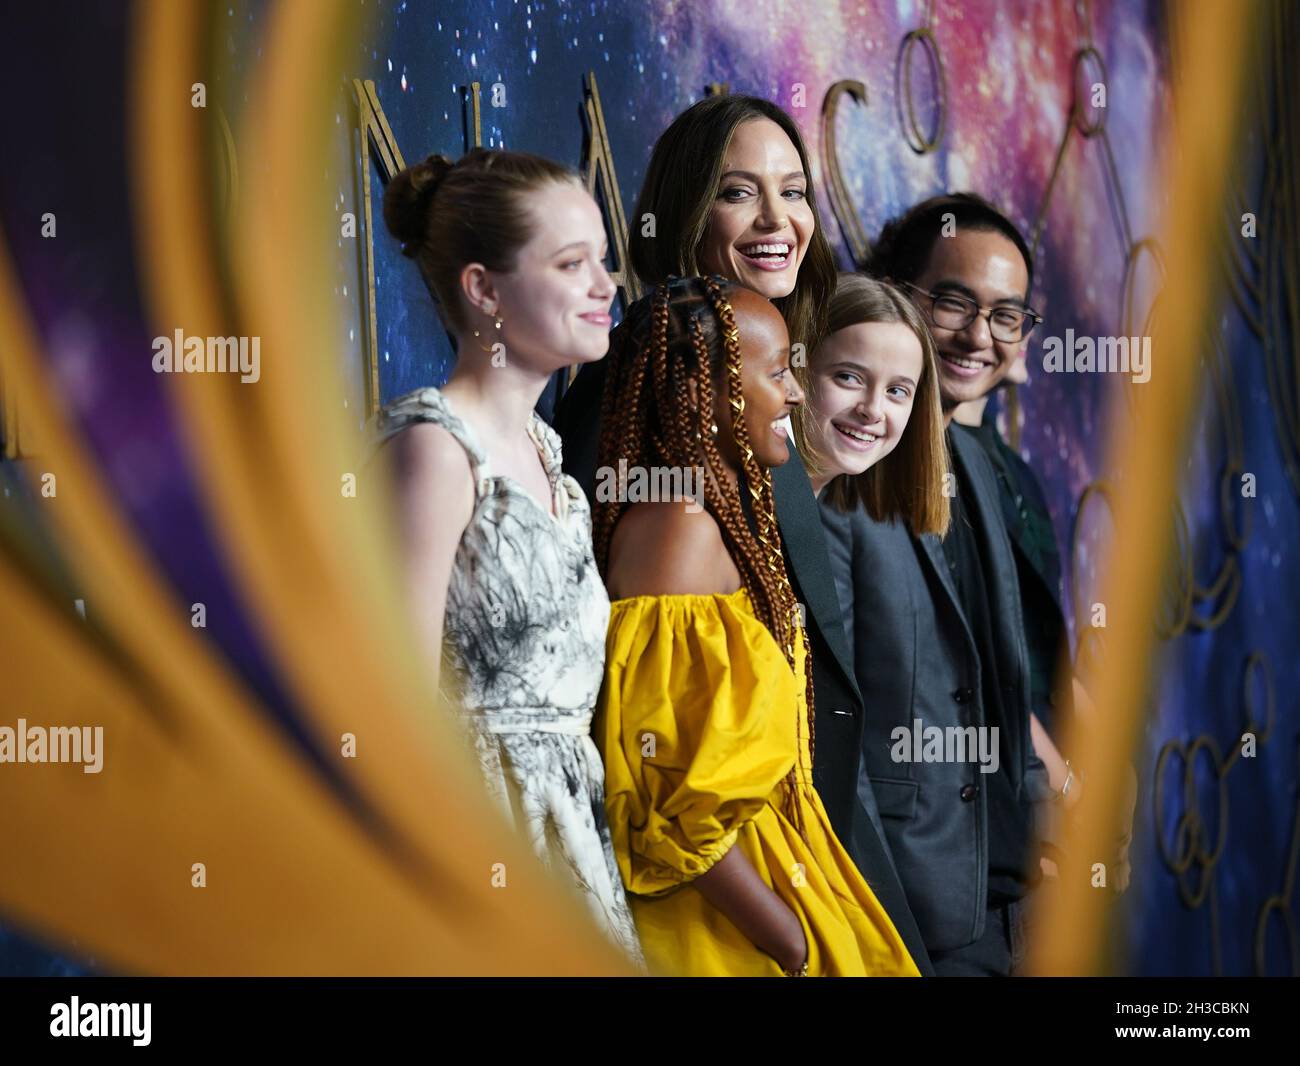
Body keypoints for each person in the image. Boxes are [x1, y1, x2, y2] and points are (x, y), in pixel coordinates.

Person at [552, 94, 933, 974]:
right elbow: (650, 750)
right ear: (684, 211)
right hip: (721, 908)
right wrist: (793, 940)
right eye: (738, 192)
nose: (779, 220)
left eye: (795, 189)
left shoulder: (758, 411)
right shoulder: (638, 411)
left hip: (808, 855)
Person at [592, 275, 921, 977]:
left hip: (786, 888)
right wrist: (793, 946)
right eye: (777, 374)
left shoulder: (726, 520)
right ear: (702, 393)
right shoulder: (678, 531)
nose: (796, 394)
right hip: (726, 929)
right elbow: (672, 808)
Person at [372, 147, 642, 964]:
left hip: (572, 840)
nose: (607, 286)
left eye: (602, 258)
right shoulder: (432, 448)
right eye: (571, 263)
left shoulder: (548, 453)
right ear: (484, 288)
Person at [858, 192, 1061, 975]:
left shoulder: (982, 467)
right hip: (911, 910)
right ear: (895, 294)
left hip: (1016, 898)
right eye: (953, 302)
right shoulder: (848, 470)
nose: (980, 336)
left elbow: (1006, 682)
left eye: (1008, 315)